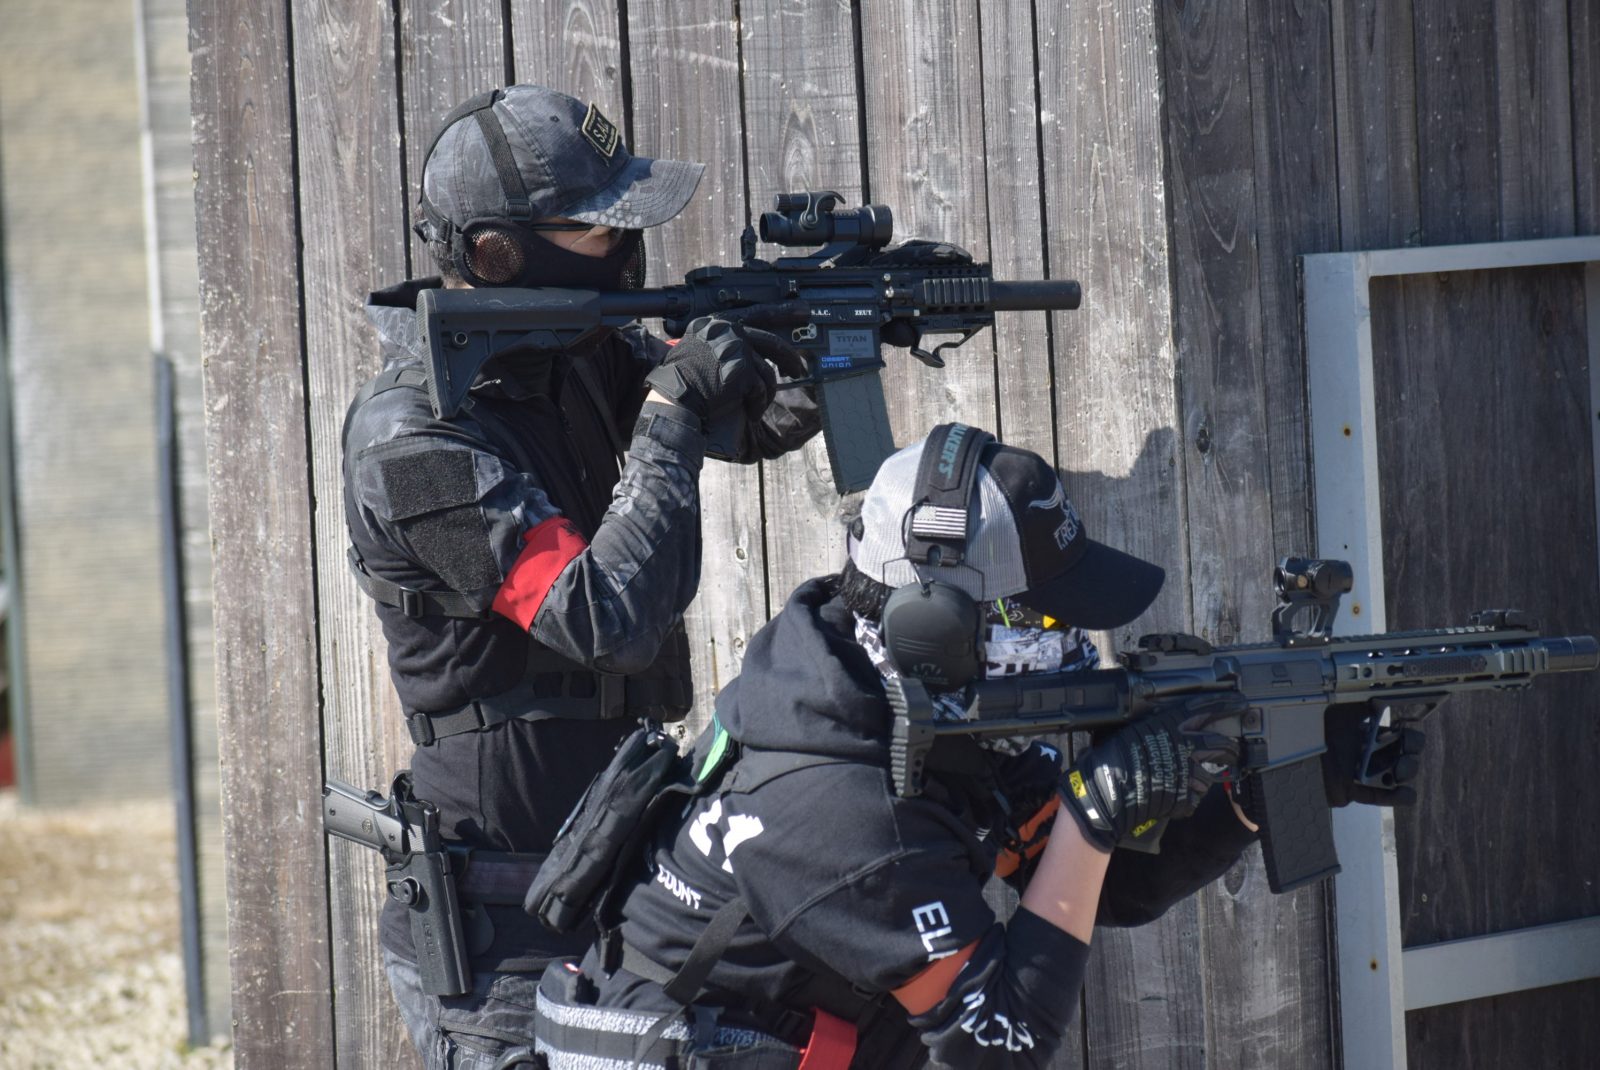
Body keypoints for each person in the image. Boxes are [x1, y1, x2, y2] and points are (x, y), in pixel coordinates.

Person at [526, 424, 1422, 1069]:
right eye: (1051, 620)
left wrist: (1259, 791)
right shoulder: (834, 807)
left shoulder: (899, 698)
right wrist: (1091, 819)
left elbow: (1098, 889)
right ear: (939, 631)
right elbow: (1002, 1041)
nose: (1081, 643)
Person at [341, 84, 818, 1069]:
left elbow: (751, 418)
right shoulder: (412, 440)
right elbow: (607, 619)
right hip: (504, 930)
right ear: (496, 254)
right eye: (596, 229)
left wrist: (799, 341)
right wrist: (670, 411)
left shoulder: (571, 355)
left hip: (622, 882)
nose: (624, 250)